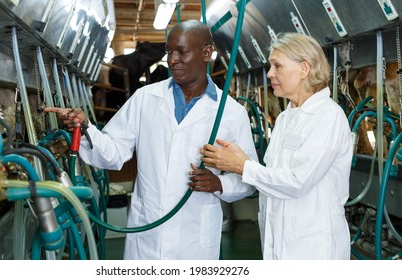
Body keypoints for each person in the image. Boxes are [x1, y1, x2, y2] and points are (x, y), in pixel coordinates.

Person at [45, 19, 258, 260]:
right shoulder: (145, 98)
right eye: (169, 52)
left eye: (182, 52)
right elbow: (113, 153)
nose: (172, 60)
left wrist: (219, 184)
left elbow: (248, 178)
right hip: (147, 232)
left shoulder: (230, 112)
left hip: (194, 240)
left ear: (206, 53)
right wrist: (86, 128)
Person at [199, 32, 353, 260]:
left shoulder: (328, 117)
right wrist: (242, 162)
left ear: (304, 69)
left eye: (277, 66)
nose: (270, 73)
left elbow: (297, 182)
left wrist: (244, 166)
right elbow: (273, 176)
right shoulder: (284, 118)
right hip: (278, 242)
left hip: (314, 247)